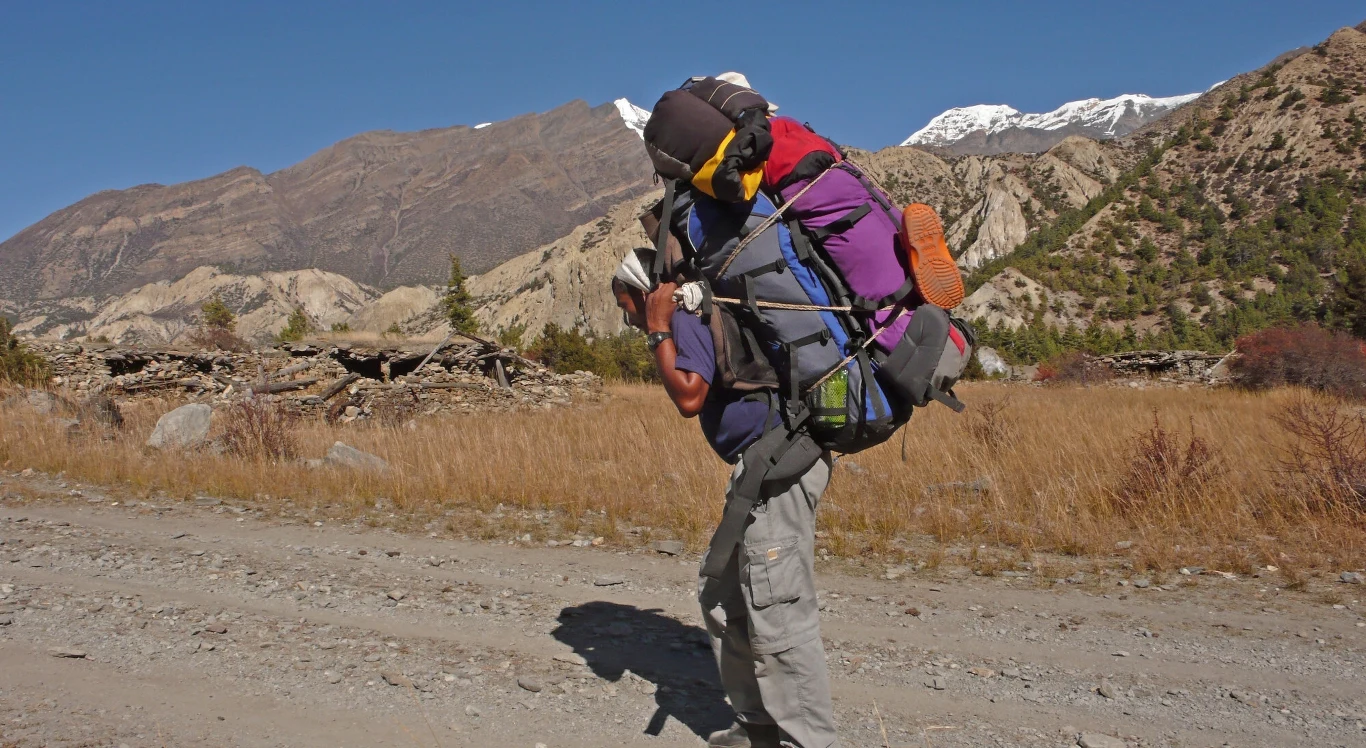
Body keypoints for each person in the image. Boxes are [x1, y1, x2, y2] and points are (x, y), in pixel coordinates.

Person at [612, 248, 839, 748]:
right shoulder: (694, 312)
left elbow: (689, 397)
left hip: (777, 465)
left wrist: (657, 328)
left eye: (626, 305)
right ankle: (757, 727)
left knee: (777, 610)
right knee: (722, 596)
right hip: (759, 469)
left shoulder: (684, 320)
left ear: (643, 292)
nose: (626, 317)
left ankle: (809, 742)